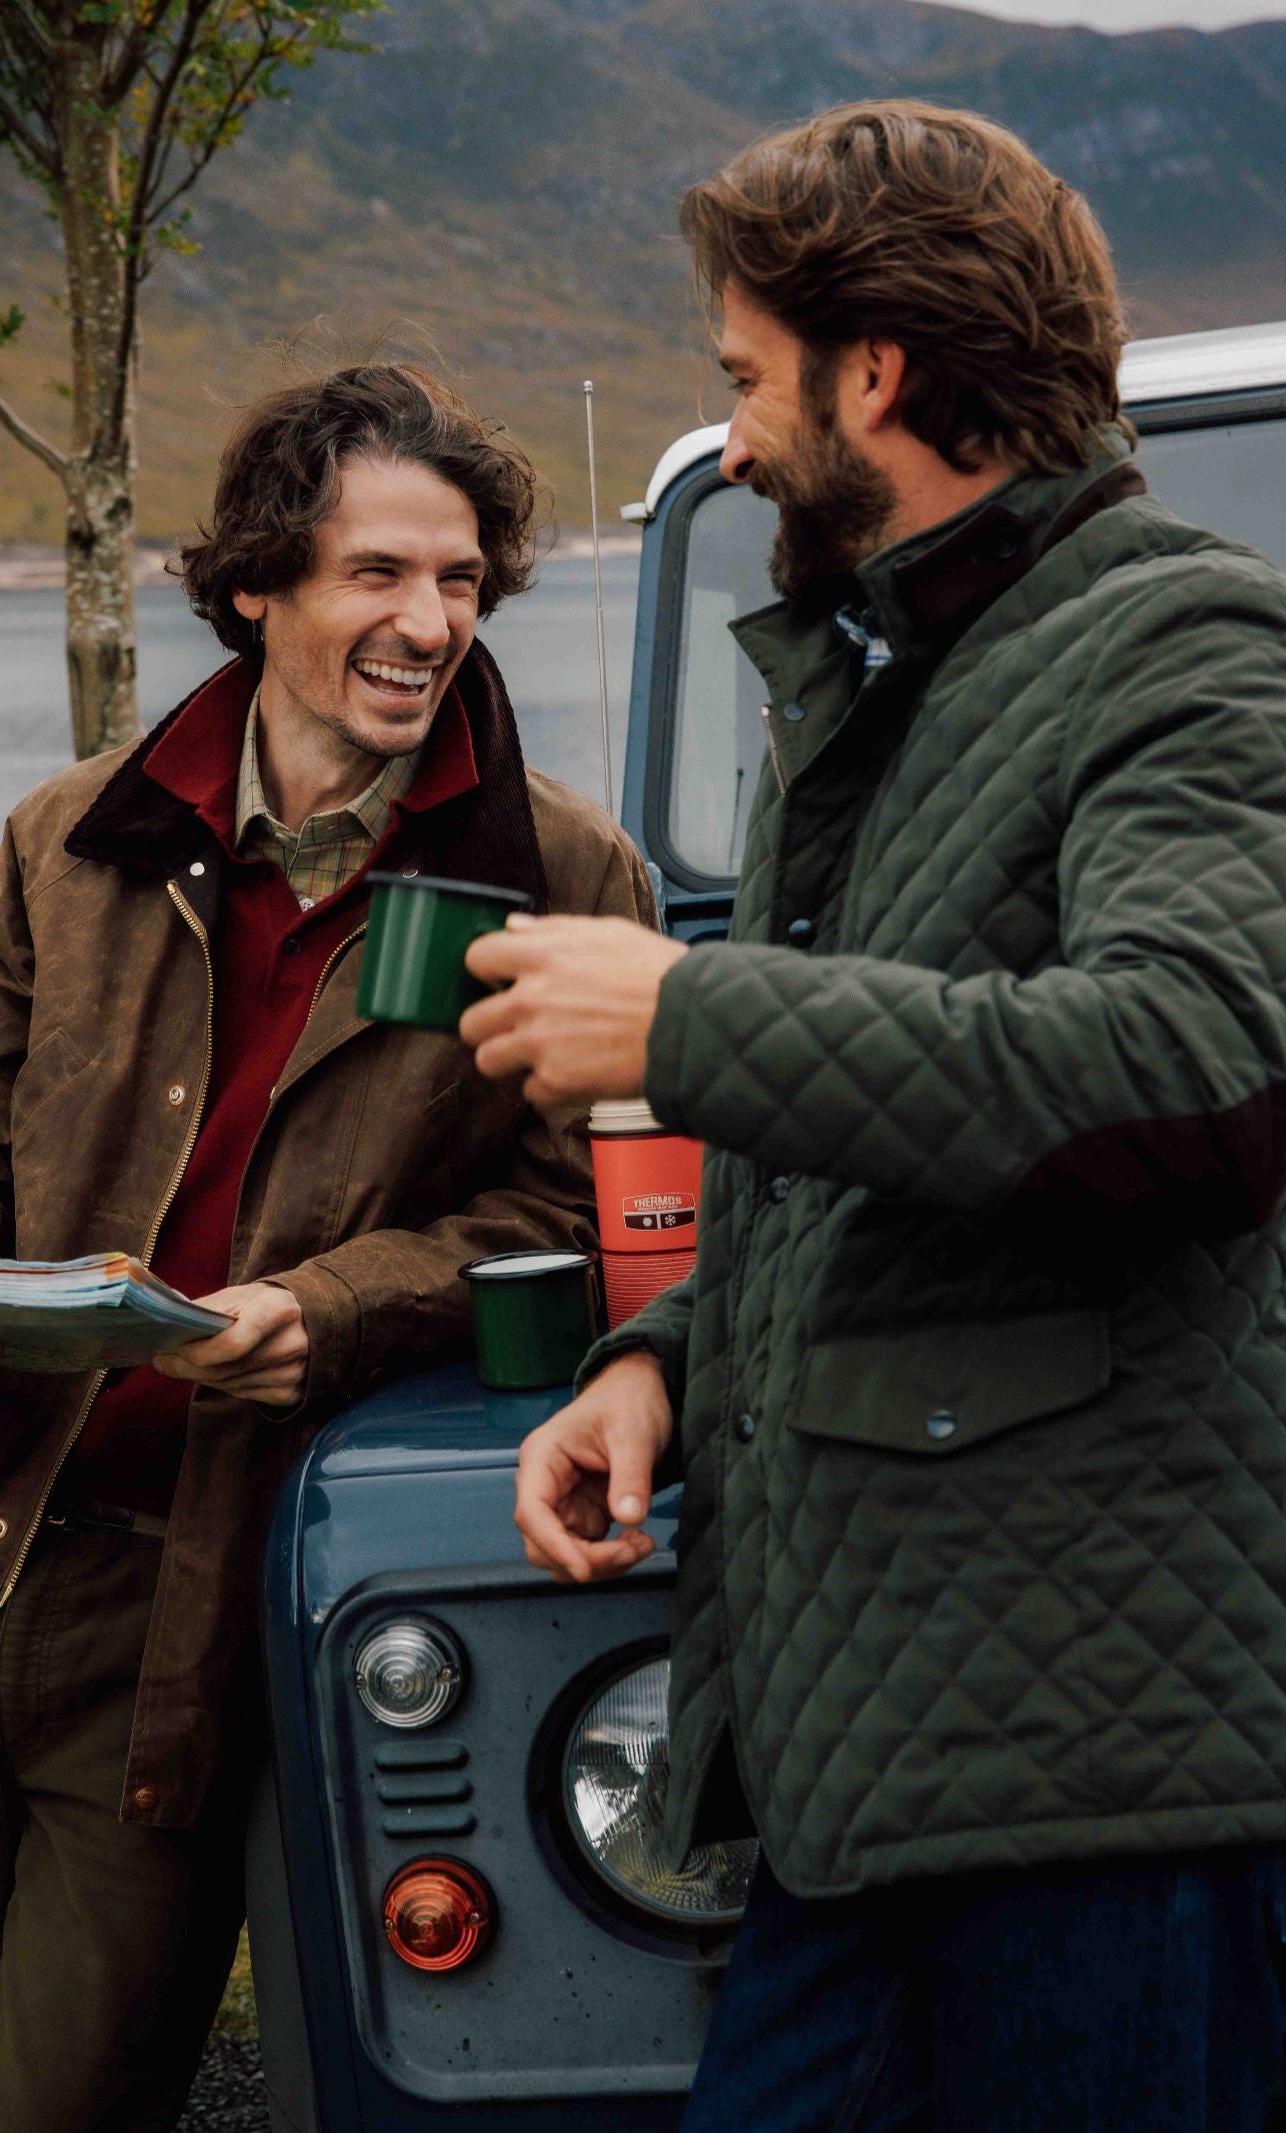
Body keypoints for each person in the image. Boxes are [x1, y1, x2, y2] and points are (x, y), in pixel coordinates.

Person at [461, 102, 1286, 2131]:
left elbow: (1194, 1072)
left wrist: (685, 1009)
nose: (731, 440)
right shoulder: (902, 674)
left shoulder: (1180, 637)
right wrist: (657, 1360)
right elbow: (892, 1152)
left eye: (744, 378)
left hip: (1093, 1777)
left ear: (876, 370)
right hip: (878, 1758)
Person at [0, 361, 654, 2133]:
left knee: (48, 2105)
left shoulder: (564, 870)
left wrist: (333, 1312)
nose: (428, 624)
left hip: (208, 1594)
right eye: (379, 576)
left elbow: (581, 1219)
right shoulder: (77, 830)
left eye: (463, 582)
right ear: (257, 580)